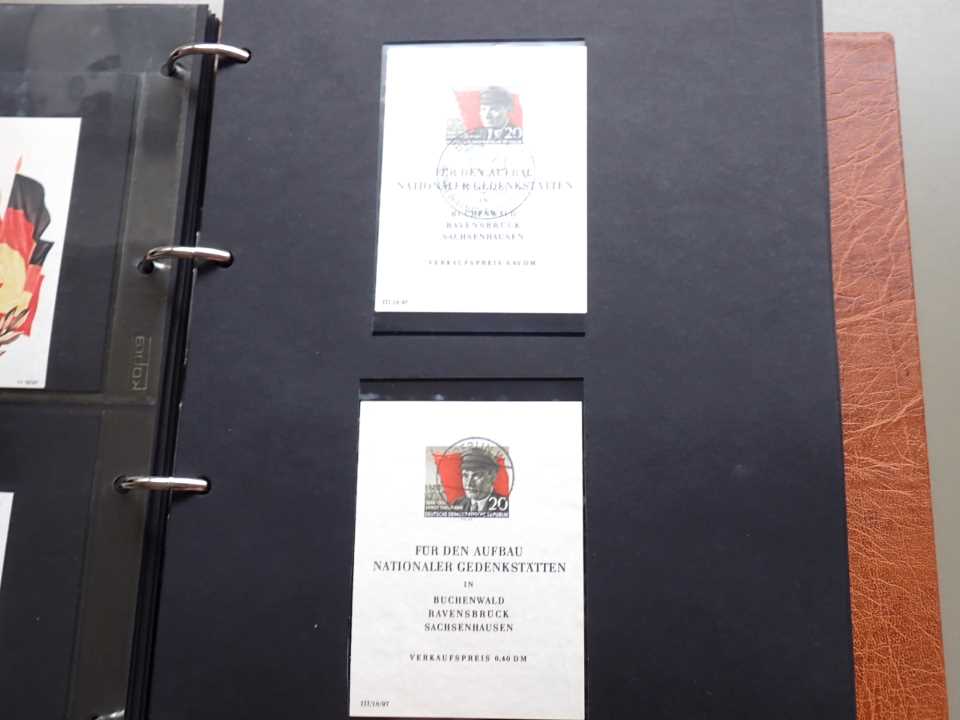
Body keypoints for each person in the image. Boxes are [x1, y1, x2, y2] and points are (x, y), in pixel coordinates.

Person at [453, 446, 506, 512]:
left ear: (492, 476)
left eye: (476, 475)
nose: (469, 484)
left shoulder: (505, 506)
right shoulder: (457, 504)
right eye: (465, 475)